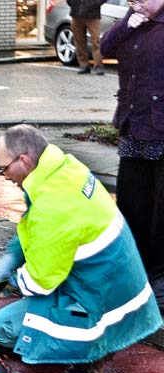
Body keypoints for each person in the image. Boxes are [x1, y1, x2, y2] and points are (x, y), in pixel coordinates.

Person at [0, 125, 162, 373]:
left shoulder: (52, 207)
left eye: (4, 169)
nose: (4, 176)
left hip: (97, 296)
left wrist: (13, 280)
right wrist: (14, 254)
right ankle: (101, 338)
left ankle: (92, 352)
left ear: (23, 160)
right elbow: (38, 231)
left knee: (0, 327)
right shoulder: (65, 169)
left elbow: (40, 281)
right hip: (119, 284)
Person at [100, 0, 164, 315]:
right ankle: (134, 276)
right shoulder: (133, 18)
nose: (134, 3)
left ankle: (160, 282)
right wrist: (128, 23)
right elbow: (105, 47)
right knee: (131, 205)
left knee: (160, 213)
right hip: (133, 124)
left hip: (162, 128)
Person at [67, 0, 107, 74]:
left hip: (93, 15)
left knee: (96, 41)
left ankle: (98, 65)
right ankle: (83, 65)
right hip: (76, 13)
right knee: (79, 41)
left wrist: (95, 3)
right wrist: (72, 3)